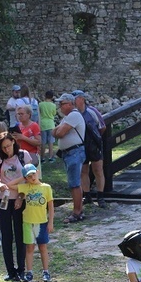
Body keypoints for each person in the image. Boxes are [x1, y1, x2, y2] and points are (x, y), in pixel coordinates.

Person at [0, 132, 32, 282]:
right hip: (4, 200)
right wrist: (0, 185)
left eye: (8, 146)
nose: (7, 149)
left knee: (20, 235)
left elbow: (30, 178)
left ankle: (21, 269)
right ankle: (10, 270)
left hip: (20, 199)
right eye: (4, 147)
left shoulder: (23, 155)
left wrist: (21, 196)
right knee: (6, 235)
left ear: (13, 142)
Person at [9, 164, 54, 282]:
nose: (32, 177)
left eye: (33, 174)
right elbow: (10, 185)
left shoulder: (46, 187)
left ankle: (46, 271)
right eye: (29, 176)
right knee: (29, 247)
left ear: (37, 172)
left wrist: (51, 222)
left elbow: (50, 206)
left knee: (43, 247)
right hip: (28, 222)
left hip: (42, 222)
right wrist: (22, 178)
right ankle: (29, 272)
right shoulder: (25, 187)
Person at [52, 93, 87, 223]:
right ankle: (78, 210)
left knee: (74, 184)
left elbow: (59, 133)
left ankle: (77, 212)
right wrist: (58, 130)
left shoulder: (73, 115)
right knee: (74, 183)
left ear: (70, 104)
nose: (60, 107)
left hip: (74, 152)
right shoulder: (67, 118)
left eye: (62, 104)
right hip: (70, 153)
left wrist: (59, 130)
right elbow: (53, 131)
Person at [73, 90, 107, 208]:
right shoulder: (74, 113)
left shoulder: (91, 111)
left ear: (81, 99)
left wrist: (96, 139)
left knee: (98, 170)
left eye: (75, 98)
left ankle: (100, 196)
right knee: (84, 171)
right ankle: (87, 196)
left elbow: (102, 127)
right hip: (81, 145)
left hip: (93, 145)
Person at [39, 90, 57, 163]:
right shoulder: (53, 105)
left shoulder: (41, 104)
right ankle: (50, 157)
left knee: (43, 142)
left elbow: (40, 112)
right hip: (50, 123)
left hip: (42, 124)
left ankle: (42, 158)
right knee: (51, 141)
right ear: (52, 97)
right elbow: (54, 113)